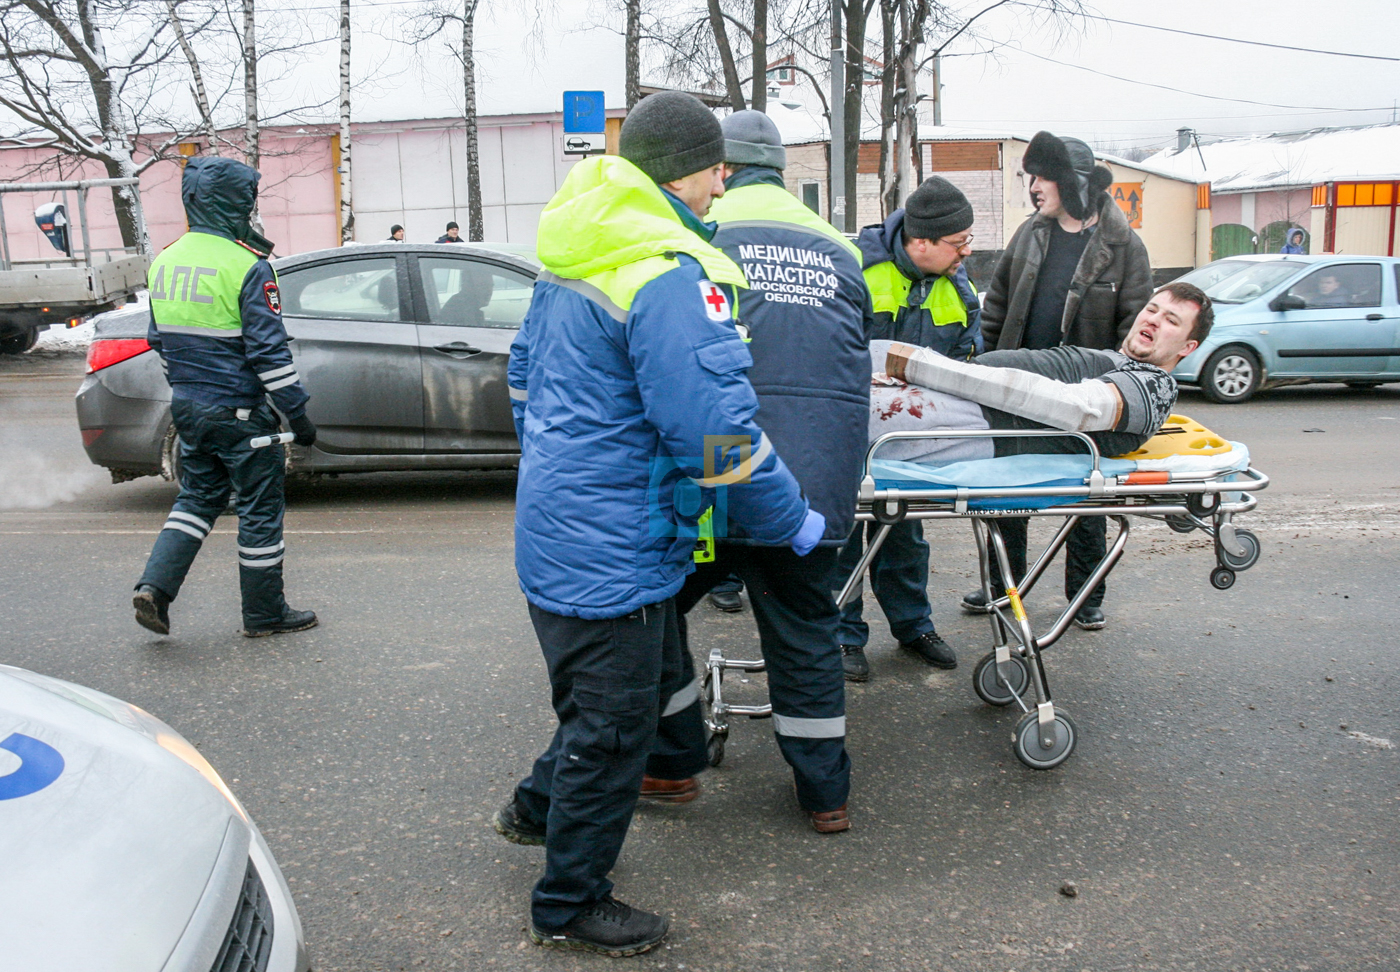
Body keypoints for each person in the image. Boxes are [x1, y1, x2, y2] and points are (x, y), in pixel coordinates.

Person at [494, 91, 824, 957]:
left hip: (561, 526)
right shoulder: (665, 273)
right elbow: (715, 436)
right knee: (614, 733)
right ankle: (569, 904)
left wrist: (570, 466)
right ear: (689, 170)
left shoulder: (579, 255)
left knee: (592, 705)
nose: (723, 182)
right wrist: (789, 518)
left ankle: (533, 810)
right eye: (717, 166)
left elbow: (522, 379)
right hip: (617, 548)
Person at [647, 109, 872, 833]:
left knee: (653, 616)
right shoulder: (840, 249)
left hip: (719, 486)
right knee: (806, 632)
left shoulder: (695, 232)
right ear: (777, 171)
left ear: (722, 168)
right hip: (815, 492)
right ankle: (825, 797)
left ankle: (672, 767)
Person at [964, 131, 1153, 631]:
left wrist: (1114, 389)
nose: (1033, 187)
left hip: (1085, 398)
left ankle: (1086, 594)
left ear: (1072, 182)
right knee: (1007, 492)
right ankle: (1006, 587)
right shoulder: (1031, 233)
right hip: (1017, 388)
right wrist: (986, 364)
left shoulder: (1123, 246)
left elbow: (1134, 331)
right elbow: (997, 303)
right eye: (1031, 176)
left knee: (1087, 495)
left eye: (1041, 176)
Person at [131, 156, 318, 638]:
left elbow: (160, 339)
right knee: (259, 509)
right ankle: (264, 614)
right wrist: (298, 417)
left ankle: (155, 587)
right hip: (239, 414)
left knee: (196, 499)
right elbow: (269, 354)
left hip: (189, 408)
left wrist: (188, 391)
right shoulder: (248, 265)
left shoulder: (166, 260)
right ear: (236, 202)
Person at [836, 175, 981, 682]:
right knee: (845, 536)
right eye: (958, 242)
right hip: (851, 435)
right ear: (921, 242)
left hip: (913, 440)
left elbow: (968, 365)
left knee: (905, 533)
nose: (967, 252)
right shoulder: (855, 270)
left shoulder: (959, 292)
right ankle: (843, 636)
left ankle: (913, 626)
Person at [869, 281, 1213, 463]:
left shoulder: (1156, 387)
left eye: (1171, 320)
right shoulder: (1116, 360)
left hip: (972, 421)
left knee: (834, 419)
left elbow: (1074, 408)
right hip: (952, 397)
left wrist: (922, 368)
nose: (1153, 319)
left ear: (1187, 347)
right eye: (1152, 309)